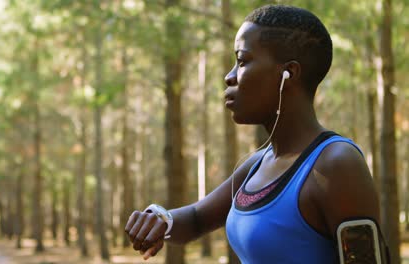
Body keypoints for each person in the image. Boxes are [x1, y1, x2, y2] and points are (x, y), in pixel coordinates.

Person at [125, 4, 388, 263]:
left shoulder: (336, 164)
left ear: (289, 73)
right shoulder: (257, 164)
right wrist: (160, 218)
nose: (229, 77)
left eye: (242, 61)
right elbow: (196, 219)